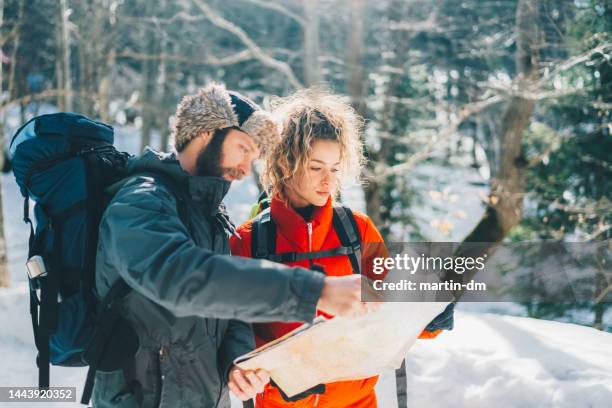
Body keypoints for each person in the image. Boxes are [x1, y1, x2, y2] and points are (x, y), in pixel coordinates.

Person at [93, 83, 371, 408]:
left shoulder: (209, 215)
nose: (244, 168)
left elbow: (225, 311)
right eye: (243, 148)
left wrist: (236, 361)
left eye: (253, 158)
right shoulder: (139, 203)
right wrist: (315, 291)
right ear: (207, 133)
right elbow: (182, 278)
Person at [230, 90, 446, 407]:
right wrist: (265, 371)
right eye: (316, 167)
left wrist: (432, 317)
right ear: (285, 163)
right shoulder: (248, 242)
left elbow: (391, 310)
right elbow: (233, 331)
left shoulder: (357, 231)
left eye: (334, 168)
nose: (328, 180)